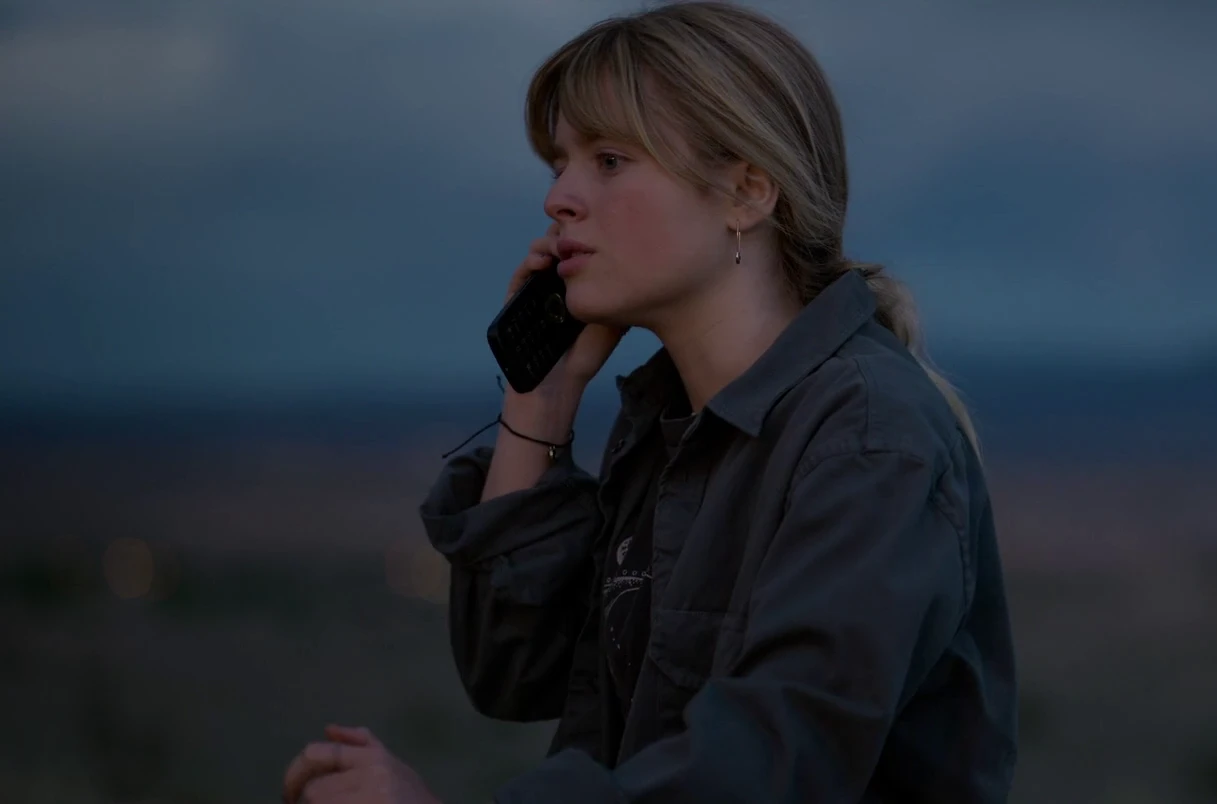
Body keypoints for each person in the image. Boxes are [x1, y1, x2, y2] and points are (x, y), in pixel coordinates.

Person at [280, 3, 1017, 802]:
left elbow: (768, 765)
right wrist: (541, 402)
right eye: (558, 164)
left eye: (608, 160)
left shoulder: (866, 437)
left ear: (746, 192)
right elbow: (512, 671)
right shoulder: (669, 433)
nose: (559, 199)